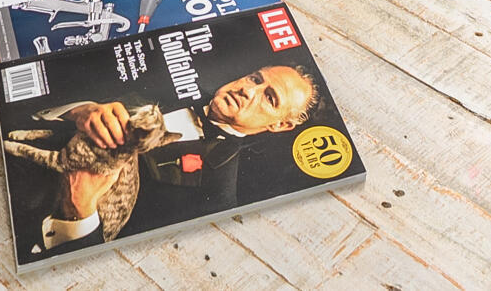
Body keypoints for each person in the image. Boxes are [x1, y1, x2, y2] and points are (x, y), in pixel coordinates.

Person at [24, 64, 318, 252]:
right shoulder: (162, 74)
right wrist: (78, 110)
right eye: (255, 78)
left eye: (269, 97)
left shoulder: (219, 196)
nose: (247, 89)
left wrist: (79, 209)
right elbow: (34, 97)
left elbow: (113, 260)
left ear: (281, 125)